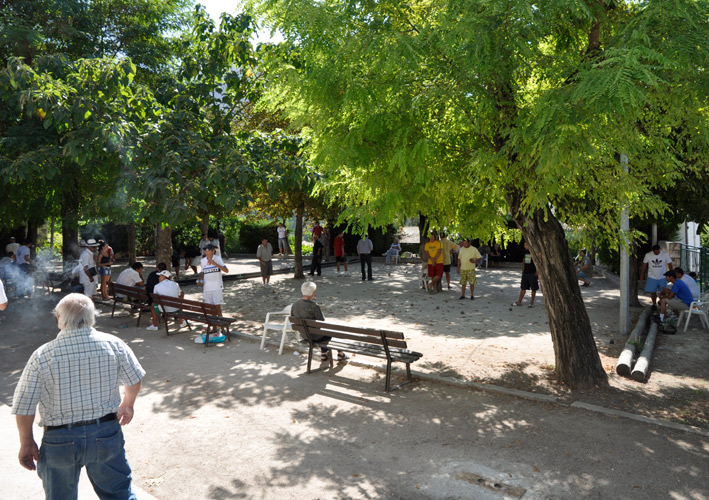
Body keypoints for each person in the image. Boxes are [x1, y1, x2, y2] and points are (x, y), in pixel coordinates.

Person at [11, 293, 145, 500]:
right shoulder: (114, 344)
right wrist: (128, 404)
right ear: (92, 317)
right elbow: (134, 379)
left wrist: (27, 442)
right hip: (105, 432)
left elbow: (24, 405)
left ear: (58, 318)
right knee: (120, 495)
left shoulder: (42, 355)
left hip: (59, 439)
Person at [291, 281, 346, 361]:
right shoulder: (314, 306)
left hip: (304, 335)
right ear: (313, 293)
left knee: (322, 332)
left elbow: (293, 318)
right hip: (316, 337)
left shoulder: (295, 304)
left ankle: (324, 353)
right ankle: (340, 354)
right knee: (335, 332)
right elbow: (321, 322)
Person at [201, 244, 228, 319]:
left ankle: (221, 325)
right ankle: (214, 326)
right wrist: (201, 280)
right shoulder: (203, 261)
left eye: (208, 250)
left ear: (213, 251)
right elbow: (203, 272)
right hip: (207, 287)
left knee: (217, 307)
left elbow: (226, 270)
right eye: (205, 250)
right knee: (210, 308)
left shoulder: (218, 258)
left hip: (217, 287)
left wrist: (215, 264)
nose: (206, 252)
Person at [513, 242, 538, 307]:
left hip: (533, 273)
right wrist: (523, 270)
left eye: (526, 245)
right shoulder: (525, 252)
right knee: (523, 287)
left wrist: (537, 272)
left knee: (533, 288)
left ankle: (532, 302)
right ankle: (519, 301)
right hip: (525, 273)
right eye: (524, 245)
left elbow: (538, 262)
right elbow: (523, 261)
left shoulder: (535, 252)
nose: (525, 246)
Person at [145, 262, 167, 330]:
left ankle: (155, 324)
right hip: (167, 302)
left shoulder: (152, 274)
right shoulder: (171, 282)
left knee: (155, 302)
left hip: (150, 299)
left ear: (157, 268)